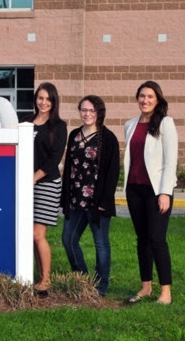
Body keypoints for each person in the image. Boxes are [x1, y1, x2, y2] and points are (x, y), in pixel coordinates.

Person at [124, 81, 178, 305]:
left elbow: (170, 161)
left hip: (156, 191)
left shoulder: (165, 123)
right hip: (134, 189)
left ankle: (166, 292)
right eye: (142, 96)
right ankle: (146, 287)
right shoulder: (130, 124)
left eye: (150, 97)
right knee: (142, 240)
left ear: (157, 100)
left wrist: (165, 192)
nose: (145, 100)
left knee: (157, 239)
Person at [61, 95, 120, 297]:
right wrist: (65, 197)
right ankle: (83, 280)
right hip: (76, 199)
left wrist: (105, 200)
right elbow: (69, 167)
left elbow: (113, 172)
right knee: (68, 239)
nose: (87, 114)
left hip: (97, 202)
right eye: (84, 110)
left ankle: (100, 287)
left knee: (101, 243)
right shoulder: (74, 135)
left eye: (91, 110)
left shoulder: (108, 137)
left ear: (99, 112)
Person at [24, 82, 67, 293]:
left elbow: (55, 158)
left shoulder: (59, 126)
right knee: (28, 234)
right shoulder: (26, 122)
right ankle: (38, 278)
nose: (43, 102)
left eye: (48, 99)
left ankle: (46, 281)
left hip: (47, 184)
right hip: (26, 184)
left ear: (54, 102)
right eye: (40, 98)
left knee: (37, 234)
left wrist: (34, 177)